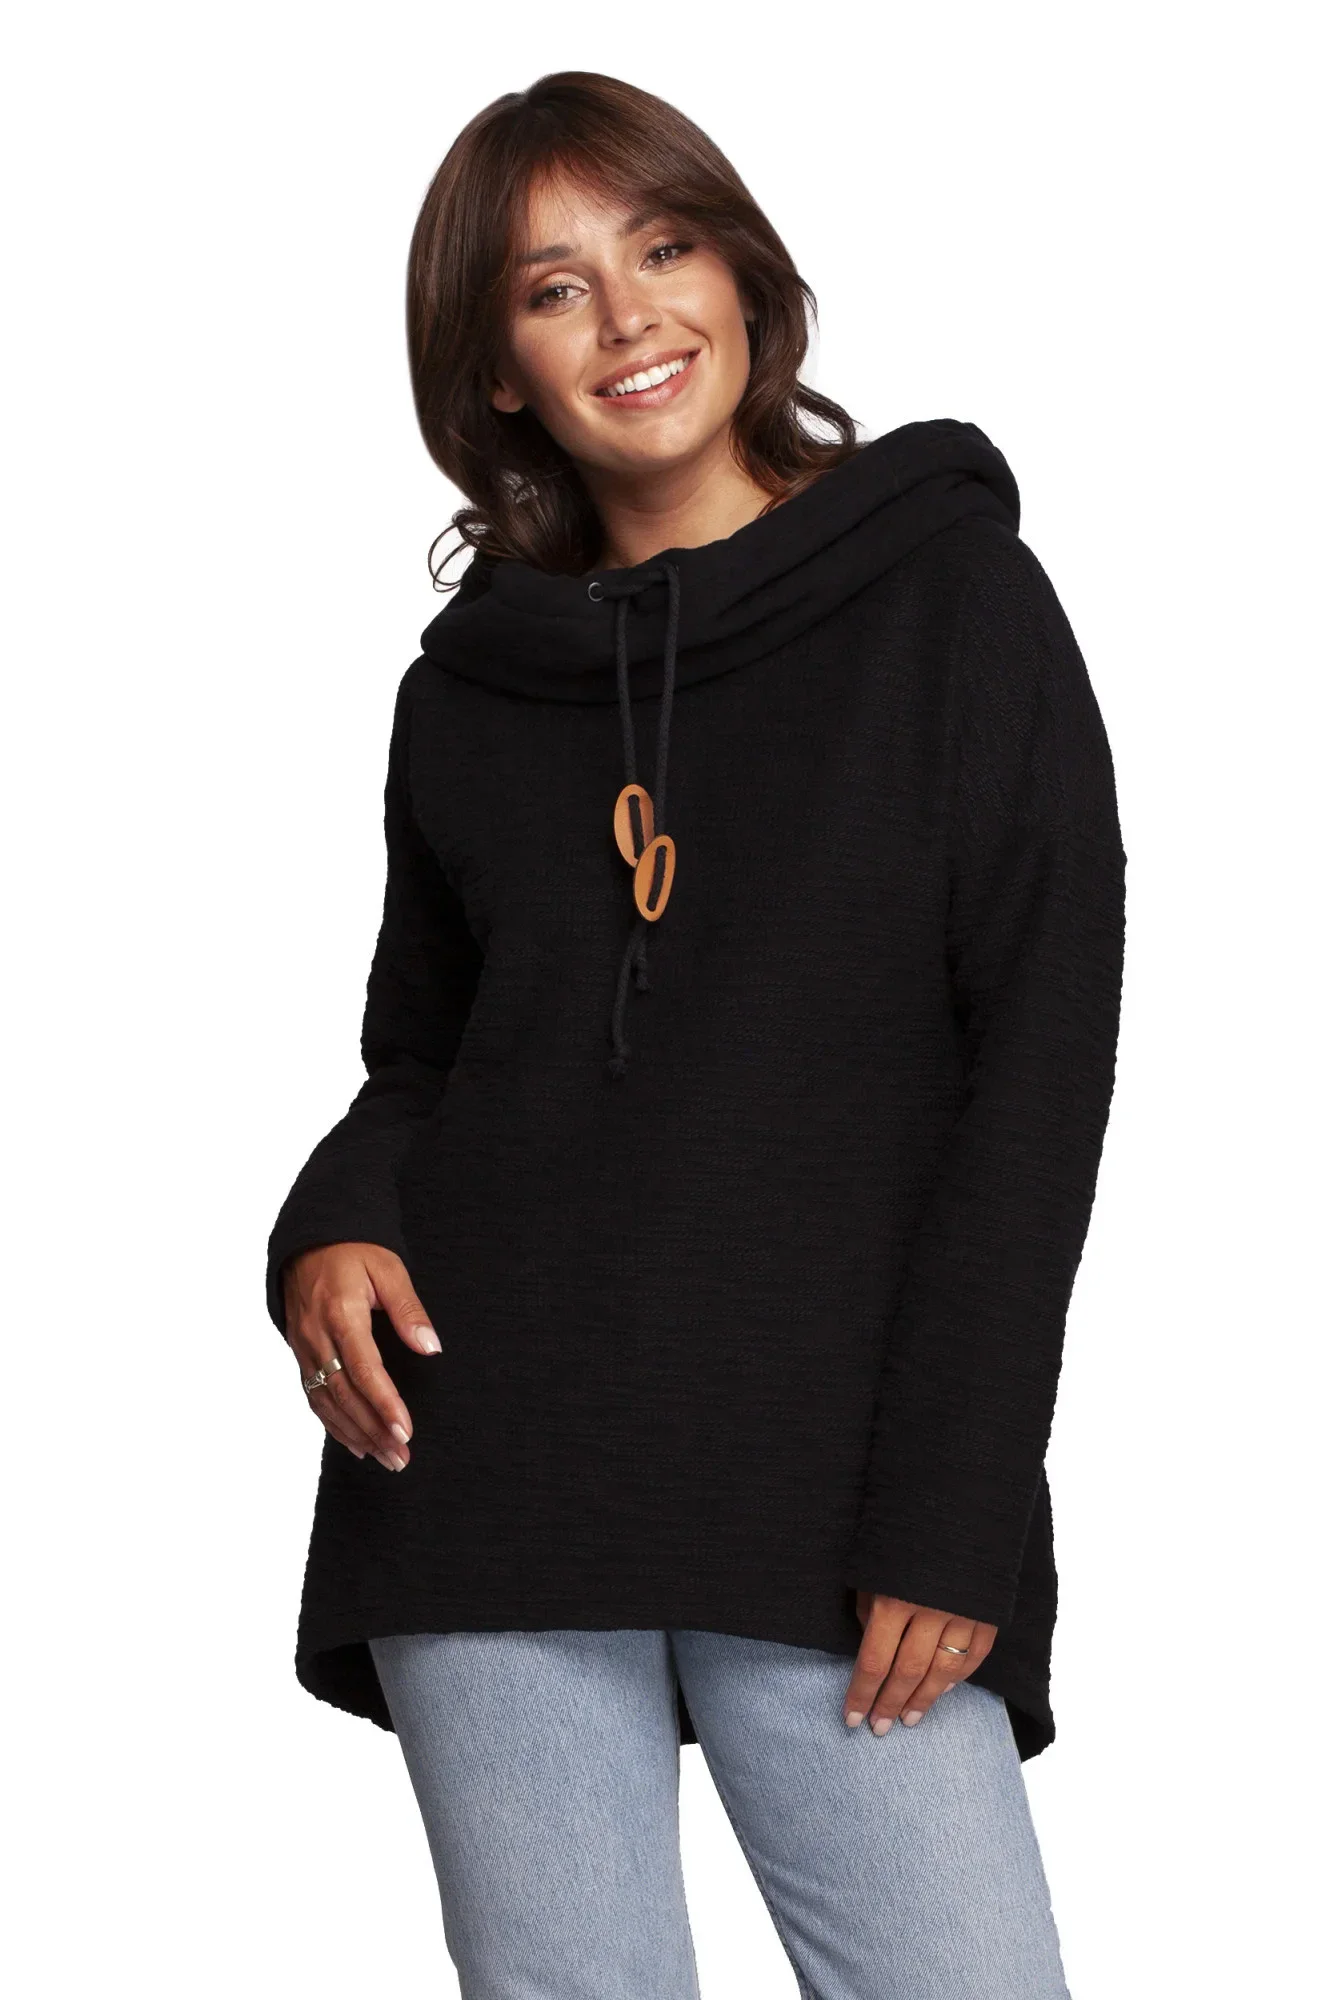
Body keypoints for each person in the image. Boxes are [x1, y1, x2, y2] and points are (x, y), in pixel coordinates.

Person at [265, 69, 1126, 2000]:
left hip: (832, 1478)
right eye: (551, 288)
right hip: (488, 1459)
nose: (628, 317)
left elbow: (1038, 1075)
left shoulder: (950, 603)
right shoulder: (466, 690)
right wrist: (325, 1224)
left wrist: (955, 1510)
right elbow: (425, 1059)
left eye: (660, 247)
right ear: (498, 370)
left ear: (742, 274)